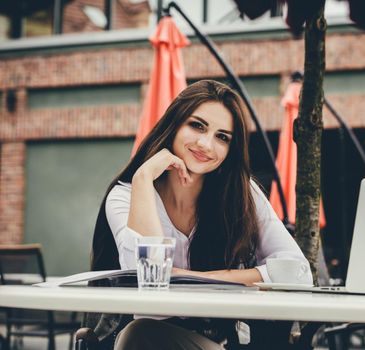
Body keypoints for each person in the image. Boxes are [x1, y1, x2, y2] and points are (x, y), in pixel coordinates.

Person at [90, 80, 312, 350]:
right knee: (139, 333)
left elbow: (298, 273)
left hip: (220, 344)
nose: (206, 144)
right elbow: (149, 282)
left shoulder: (242, 194)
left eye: (222, 137)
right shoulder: (126, 195)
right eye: (197, 125)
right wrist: (144, 177)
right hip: (147, 339)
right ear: (174, 125)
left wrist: (196, 278)